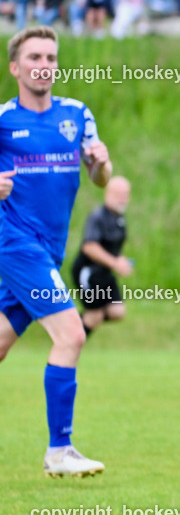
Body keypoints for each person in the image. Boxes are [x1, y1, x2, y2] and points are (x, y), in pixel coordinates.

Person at [0, 26, 113, 477]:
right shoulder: (3, 119)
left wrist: (101, 164)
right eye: (34, 57)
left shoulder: (76, 114)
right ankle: (59, 451)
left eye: (50, 57)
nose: (43, 64)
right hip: (14, 243)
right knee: (71, 335)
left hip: (48, 250)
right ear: (15, 68)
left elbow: (100, 180)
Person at [70, 175, 132, 337]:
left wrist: (121, 261)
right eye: (118, 194)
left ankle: (72, 323)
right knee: (94, 315)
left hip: (104, 274)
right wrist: (114, 263)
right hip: (88, 273)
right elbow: (89, 247)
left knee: (117, 311)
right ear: (108, 193)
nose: (122, 199)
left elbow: (112, 248)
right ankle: (68, 340)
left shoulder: (119, 218)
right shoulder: (98, 217)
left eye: (125, 195)